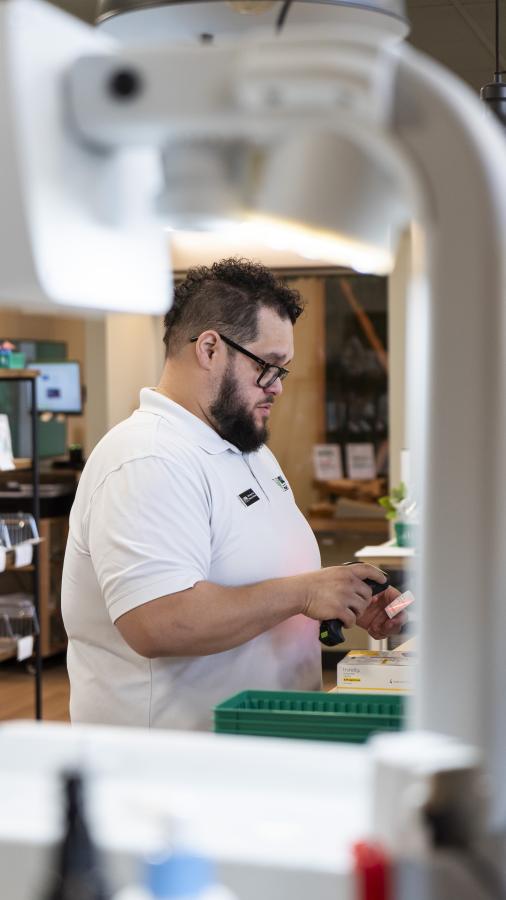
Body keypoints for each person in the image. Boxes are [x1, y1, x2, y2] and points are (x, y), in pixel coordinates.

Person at [62, 258, 406, 730]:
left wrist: (339, 592)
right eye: (269, 367)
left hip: (257, 742)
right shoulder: (147, 457)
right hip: (175, 766)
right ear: (209, 348)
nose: (278, 388)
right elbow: (158, 621)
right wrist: (305, 592)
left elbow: (260, 577)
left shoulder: (244, 450)